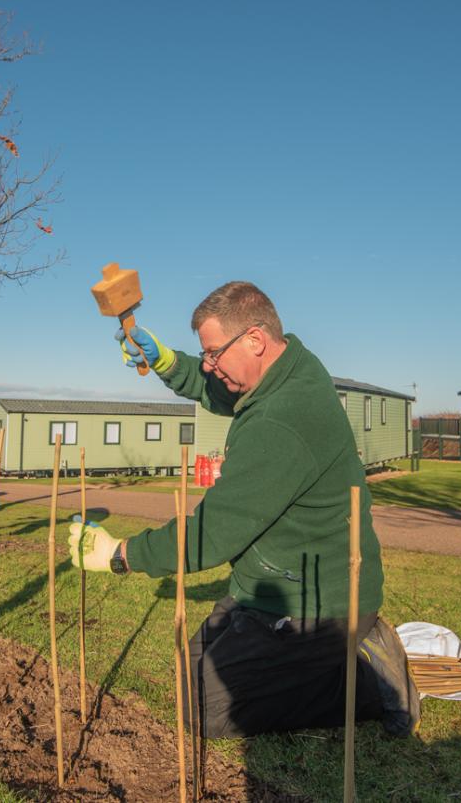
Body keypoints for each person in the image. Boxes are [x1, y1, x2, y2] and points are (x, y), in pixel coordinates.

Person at [68, 281, 419, 739]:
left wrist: (120, 554)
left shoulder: (282, 419)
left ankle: (372, 682)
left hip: (319, 603)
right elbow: (221, 388)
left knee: (203, 709)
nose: (210, 365)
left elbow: (214, 533)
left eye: (213, 353)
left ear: (254, 339)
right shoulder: (286, 367)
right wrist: (167, 361)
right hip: (270, 584)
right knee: (193, 669)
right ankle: (335, 655)